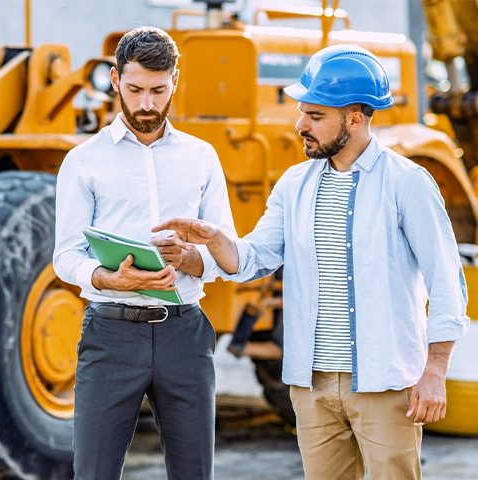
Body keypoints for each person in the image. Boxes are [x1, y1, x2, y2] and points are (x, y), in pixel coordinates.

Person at [153, 44, 469, 480]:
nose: (301, 125)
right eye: (302, 112)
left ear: (355, 118)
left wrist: (435, 371)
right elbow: (254, 258)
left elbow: (447, 282)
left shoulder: (408, 184)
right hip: (311, 384)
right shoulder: (294, 183)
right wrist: (207, 246)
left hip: (385, 383)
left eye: (315, 116)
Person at [53, 26, 235, 480]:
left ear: (176, 79)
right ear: (116, 81)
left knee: (194, 472)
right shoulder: (83, 160)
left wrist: (189, 259)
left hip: (185, 335)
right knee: (93, 472)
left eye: (158, 89)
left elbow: (225, 250)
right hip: (110, 335)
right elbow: (67, 255)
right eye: (134, 90)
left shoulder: (202, 157)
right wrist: (106, 278)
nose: (147, 104)